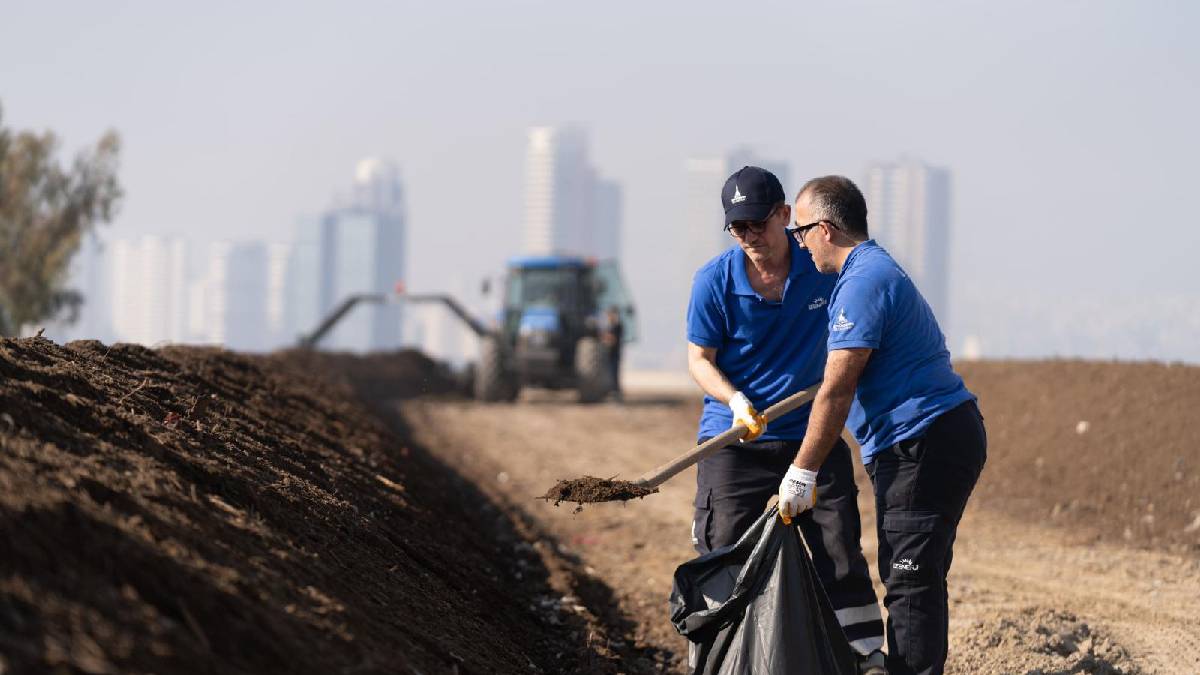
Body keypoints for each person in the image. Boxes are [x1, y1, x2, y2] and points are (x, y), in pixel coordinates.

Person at [778, 175, 987, 675]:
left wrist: (802, 471)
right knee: (910, 573)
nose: (799, 245)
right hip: (926, 439)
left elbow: (838, 388)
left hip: (924, 441)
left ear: (825, 229)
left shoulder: (863, 281)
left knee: (911, 578)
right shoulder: (868, 274)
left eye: (800, 232)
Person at [686, 166, 886, 672]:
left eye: (757, 223)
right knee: (724, 552)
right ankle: (712, 659)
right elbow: (699, 360)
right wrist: (734, 401)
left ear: (783, 215)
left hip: (808, 435)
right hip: (734, 439)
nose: (749, 236)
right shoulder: (714, 281)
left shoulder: (822, 266)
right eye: (737, 227)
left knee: (839, 548)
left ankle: (864, 657)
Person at [602, 305, 624, 401]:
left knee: (614, 374)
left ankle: (615, 393)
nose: (608, 317)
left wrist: (604, 338)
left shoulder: (617, 326)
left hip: (614, 354)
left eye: (610, 314)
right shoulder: (610, 326)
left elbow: (612, 339)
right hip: (609, 355)